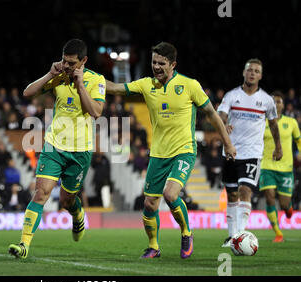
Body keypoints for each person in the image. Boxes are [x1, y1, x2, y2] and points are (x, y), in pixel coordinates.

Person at [106, 42, 236, 259]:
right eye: (153, 62)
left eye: (161, 63)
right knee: (149, 204)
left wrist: (228, 143)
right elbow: (116, 88)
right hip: (158, 153)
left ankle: (186, 233)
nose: (156, 67)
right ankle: (154, 247)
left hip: (183, 150)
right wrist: (88, 79)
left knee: (170, 193)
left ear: (173, 64)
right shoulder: (147, 85)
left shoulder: (189, 85)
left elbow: (212, 114)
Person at [8, 39, 106, 259]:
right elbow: (28, 93)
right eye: (64, 60)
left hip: (80, 151)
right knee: (41, 192)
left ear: (84, 61)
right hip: (54, 146)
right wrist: (49, 75)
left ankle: (78, 213)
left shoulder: (95, 80)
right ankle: (24, 245)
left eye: (72, 63)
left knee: (66, 201)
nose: (67, 66)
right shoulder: (59, 77)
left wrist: (80, 85)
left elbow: (96, 112)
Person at [218, 58, 282, 247]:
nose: (252, 73)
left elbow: (273, 124)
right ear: (244, 73)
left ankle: (239, 236)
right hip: (231, 151)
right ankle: (231, 236)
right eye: (249, 70)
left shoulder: (267, 100)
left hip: (252, 153)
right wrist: (223, 124)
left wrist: (278, 146)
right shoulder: (231, 96)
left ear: (260, 76)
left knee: (245, 190)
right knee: (231, 195)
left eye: (256, 71)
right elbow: (220, 115)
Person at [259, 91, 301, 242]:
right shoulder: (262, 122)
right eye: (273, 101)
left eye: (279, 101)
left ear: (283, 105)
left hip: (286, 168)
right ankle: (278, 233)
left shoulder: (291, 122)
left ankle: (288, 209)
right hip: (266, 166)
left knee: (284, 205)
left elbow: (299, 140)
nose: (276, 104)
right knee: (269, 196)